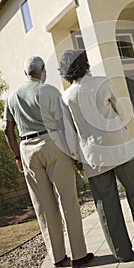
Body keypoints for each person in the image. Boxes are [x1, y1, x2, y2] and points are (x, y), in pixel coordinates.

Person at [59, 50, 134, 263]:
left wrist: (77, 157)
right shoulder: (103, 82)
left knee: (107, 207)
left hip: (93, 157)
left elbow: (70, 133)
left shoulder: (66, 97)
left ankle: (122, 253)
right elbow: (123, 113)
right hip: (119, 148)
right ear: (85, 64)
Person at [4, 56, 94, 268]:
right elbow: (65, 124)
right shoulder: (50, 91)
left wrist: (17, 157)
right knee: (67, 200)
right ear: (42, 71)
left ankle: (58, 257)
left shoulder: (12, 96)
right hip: (53, 143)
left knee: (44, 206)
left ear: (26, 73)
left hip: (27, 149)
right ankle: (78, 255)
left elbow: (8, 130)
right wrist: (75, 155)